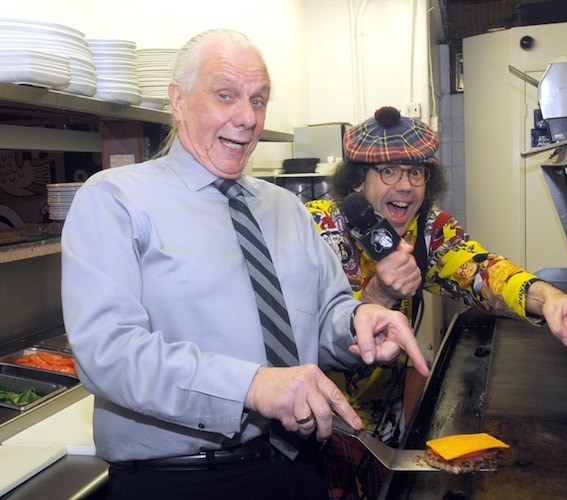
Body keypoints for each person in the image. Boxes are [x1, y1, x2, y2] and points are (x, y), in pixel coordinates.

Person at [60, 33, 430, 500]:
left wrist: (358, 321)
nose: (248, 118)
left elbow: (325, 314)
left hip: (302, 469)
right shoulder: (114, 199)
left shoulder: (287, 209)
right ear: (177, 100)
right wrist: (251, 385)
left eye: (258, 100)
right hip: (182, 481)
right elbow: (108, 353)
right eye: (225, 96)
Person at [306, 105, 567, 499]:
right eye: (389, 170)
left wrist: (547, 297)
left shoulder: (427, 231)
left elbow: (483, 270)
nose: (405, 185)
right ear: (358, 180)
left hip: (387, 429)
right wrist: (378, 296)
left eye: (416, 171)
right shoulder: (315, 231)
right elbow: (294, 338)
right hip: (321, 430)